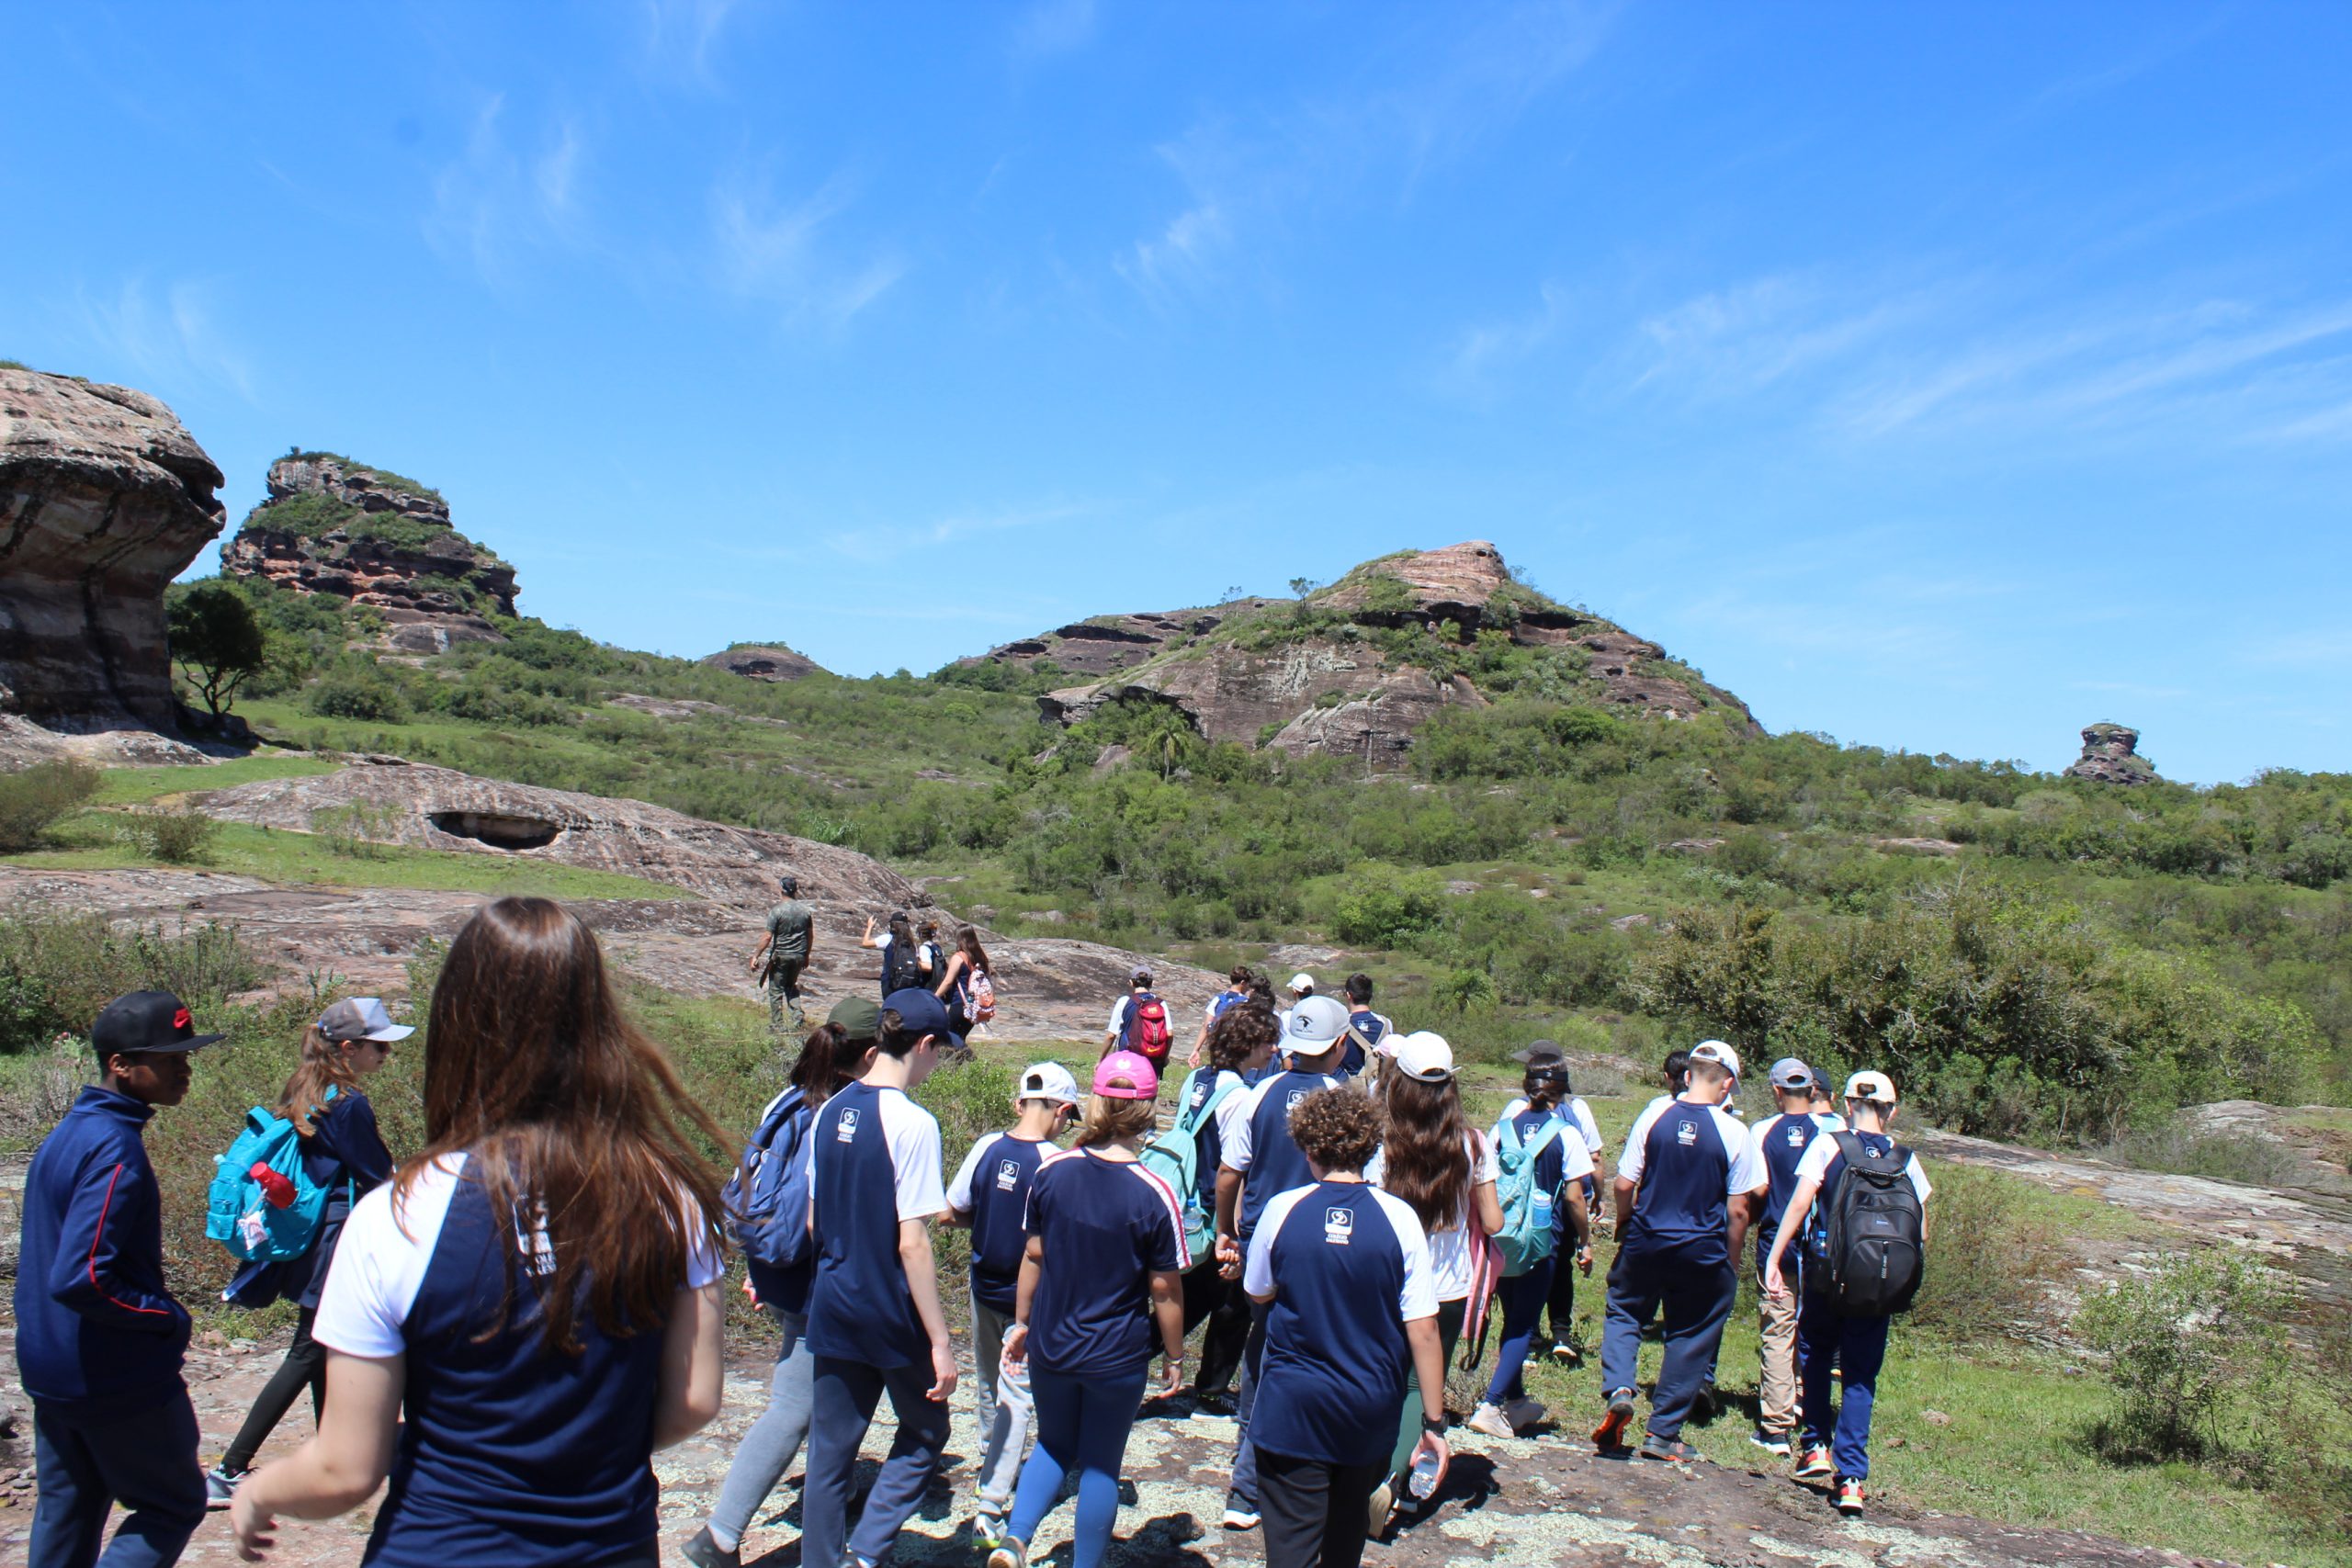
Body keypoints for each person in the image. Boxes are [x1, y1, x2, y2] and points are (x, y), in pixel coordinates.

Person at [231, 897, 729, 1565]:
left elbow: (346, 1470)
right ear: (598, 1022)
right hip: (612, 1544)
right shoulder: (670, 1198)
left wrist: (260, 1491)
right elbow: (694, 1401)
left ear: (458, 1026)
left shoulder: (396, 1215)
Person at [17, 989, 220, 1568]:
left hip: (51, 1365)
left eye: (186, 1055)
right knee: (173, 1505)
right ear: (121, 1065)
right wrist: (166, 1317)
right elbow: (83, 1277)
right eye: (170, 1057)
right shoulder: (113, 1148)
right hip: (112, 1373)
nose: (185, 1068)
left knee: (68, 1511)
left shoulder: (70, 1132)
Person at [682, 998, 878, 1568]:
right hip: (820, 1277)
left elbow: (759, 1187)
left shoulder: (788, 1097)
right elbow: (825, 1213)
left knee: (819, 1395)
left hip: (781, 1265)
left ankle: (835, 1496)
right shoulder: (844, 1114)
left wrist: (760, 1265)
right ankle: (720, 1536)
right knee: (798, 1404)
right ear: (869, 1055)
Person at [986, 1052, 1189, 1568]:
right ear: (1147, 1112)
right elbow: (1165, 1290)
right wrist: (1174, 1354)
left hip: (1052, 1341)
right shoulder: (1155, 1193)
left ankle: (1016, 1538)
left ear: (1096, 1103)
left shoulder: (1053, 1171)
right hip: (1115, 1354)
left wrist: (1022, 1323)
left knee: (1053, 1443)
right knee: (1100, 1463)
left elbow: (1033, 1255)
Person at [209, 998, 406, 1505]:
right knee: (308, 1349)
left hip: (310, 1238)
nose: (386, 1054)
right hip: (334, 1244)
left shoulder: (309, 1088)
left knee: (320, 1347)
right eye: (378, 1045)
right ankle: (230, 1470)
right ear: (348, 1048)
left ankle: (332, 1448)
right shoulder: (349, 1104)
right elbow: (378, 1174)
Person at [1244, 1088, 1448, 1568]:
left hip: (1292, 1405)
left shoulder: (1282, 1209)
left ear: (1308, 1148)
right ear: (1371, 1147)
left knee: (1290, 1551)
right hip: (1366, 1405)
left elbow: (1257, 1293)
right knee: (1344, 1543)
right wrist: (1434, 1424)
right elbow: (1423, 1329)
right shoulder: (1400, 1218)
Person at [797, 988, 957, 1568]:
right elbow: (911, 1243)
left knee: (830, 1452)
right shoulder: (914, 1124)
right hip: (887, 1307)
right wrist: (940, 1341)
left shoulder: (827, 1111)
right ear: (923, 1044)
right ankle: (865, 1553)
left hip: (834, 1299)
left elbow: (815, 1219)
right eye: (940, 1051)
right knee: (924, 1429)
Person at [1212, 995, 1351, 1532]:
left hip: (1261, 1245)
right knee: (1300, 1356)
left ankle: (1248, 1468)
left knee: (1262, 1346)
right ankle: (1259, 1481)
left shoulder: (1258, 1093)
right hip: (1324, 1245)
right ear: (1339, 1045)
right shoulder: (1341, 1098)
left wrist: (1228, 1230)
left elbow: (1230, 1175)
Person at [1764, 1071, 1932, 1517]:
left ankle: (1816, 1446)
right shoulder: (1906, 1158)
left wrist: (1774, 1257)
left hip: (1828, 1274)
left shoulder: (1829, 1144)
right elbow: (1921, 1230)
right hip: (1877, 1286)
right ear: (1892, 1111)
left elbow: (1800, 1204)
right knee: (1860, 1376)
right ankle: (1852, 1478)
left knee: (1816, 1354)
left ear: (1847, 1105)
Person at [1592, 1050, 1766, 1462]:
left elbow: (1623, 1183)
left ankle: (1619, 1389)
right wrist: (1731, 1260)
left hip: (1647, 1236)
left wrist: (1625, 1222)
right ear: (1726, 1084)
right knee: (1690, 1332)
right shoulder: (1734, 1132)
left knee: (1625, 1310)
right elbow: (1739, 1209)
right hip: (1701, 1247)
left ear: (1687, 1075)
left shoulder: (1654, 1116)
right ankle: (1663, 1433)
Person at [1363, 1032, 1499, 1534]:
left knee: (1379, 1378)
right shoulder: (1472, 1143)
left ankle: (1364, 1471)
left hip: (1387, 1280)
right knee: (1421, 1387)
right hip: (1446, 1286)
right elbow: (1494, 1220)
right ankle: (1395, 1482)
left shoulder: (1381, 1143)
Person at [947, 1062, 1081, 1547]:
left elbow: (953, 1209)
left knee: (989, 1382)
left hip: (983, 1285)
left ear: (1019, 1101)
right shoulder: (1057, 1164)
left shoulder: (987, 1146)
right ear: (1063, 1110)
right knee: (1020, 1393)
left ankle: (990, 1455)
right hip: (1030, 1300)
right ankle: (993, 1500)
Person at [1467, 1058, 1593, 1439]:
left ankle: (1517, 1402)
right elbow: (1574, 1198)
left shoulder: (1500, 1130)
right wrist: (1585, 1241)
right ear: (1561, 1093)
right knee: (1523, 1323)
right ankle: (1491, 1405)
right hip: (1542, 1242)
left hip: (1501, 1238)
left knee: (1512, 1316)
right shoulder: (1566, 1134)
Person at [1171, 1005, 1280, 1413]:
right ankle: (1212, 1389)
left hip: (1187, 1203)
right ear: (1246, 1044)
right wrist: (1230, 1229)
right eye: (1266, 1041)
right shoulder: (1239, 1097)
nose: (1273, 1049)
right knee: (1231, 1302)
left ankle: (1132, 1360)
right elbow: (1232, 1168)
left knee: (1190, 1296)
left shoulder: (1197, 1079)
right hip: (1216, 1212)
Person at [1744, 1058, 1844, 1458]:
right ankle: (1809, 1408)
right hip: (1822, 1249)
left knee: (1777, 1332)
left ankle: (1775, 1427)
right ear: (1814, 1091)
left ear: (1776, 1090)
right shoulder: (1834, 1131)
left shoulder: (1762, 1130)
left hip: (1776, 1244)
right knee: (1815, 1332)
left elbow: (1757, 1189)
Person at [1505, 1041, 1604, 1361]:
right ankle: (1560, 1334)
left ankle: (1527, 1339)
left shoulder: (1510, 1118)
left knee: (1522, 1273)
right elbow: (1583, 1181)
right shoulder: (1572, 1120)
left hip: (1516, 1216)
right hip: (1556, 1215)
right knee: (1558, 1269)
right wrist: (1585, 1237)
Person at [751, 874, 817, 1035]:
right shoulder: (805, 911)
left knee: (776, 990)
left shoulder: (777, 911)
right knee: (790, 987)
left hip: (781, 956)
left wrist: (756, 955)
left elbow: (767, 936)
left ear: (781, 889)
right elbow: (810, 935)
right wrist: (806, 955)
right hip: (799, 955)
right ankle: (797, 1018)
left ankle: (777, 1026)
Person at [1103, 966, 1173, 1079]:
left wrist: (1101, 1059)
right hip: (1153, 1058)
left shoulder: (1124, 1001)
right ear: (1152, 983)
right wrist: (1164, 1058)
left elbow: (1111, 1035)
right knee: (1146, 1092)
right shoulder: (1161, 1003)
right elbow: (1169, 1034)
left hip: (1128, 1057)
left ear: (1131, 982)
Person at [933, 925, 995, 1040]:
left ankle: (960, 1057)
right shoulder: (981, 957)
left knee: (948, 1037)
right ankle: (961, 1057)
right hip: (975, 1005)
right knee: (961, 1037)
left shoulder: (959, 957)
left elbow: (948, 981)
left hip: (960, 1003)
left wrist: (935, 997)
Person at [1188, 964, 1256, 1067]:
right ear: (1243, 983)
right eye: (1248, 984)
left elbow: (1206, 1026)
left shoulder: (1218, 999)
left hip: (1217, 1046)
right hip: (1236, 1048)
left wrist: (1196, 1049)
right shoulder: (1246, 1003)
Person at [860, 911, 931, 998]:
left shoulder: (887, 938)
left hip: (890, 981)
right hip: (910, 980)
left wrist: (870, 926)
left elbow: (865, 943)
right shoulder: (912, 943)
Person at [1338, 975, 1390, 1080]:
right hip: (1378, 1088)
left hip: (1351, 1089)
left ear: (1348, 995)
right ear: (1371, 995)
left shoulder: (1340, 1024)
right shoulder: (1386, 1024)